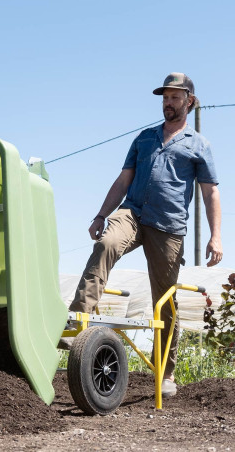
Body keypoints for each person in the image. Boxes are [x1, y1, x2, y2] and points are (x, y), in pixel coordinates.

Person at [68, 72, 222, 397]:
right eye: (165, 97)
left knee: (164, 301)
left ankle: (165, 372)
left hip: (168, 227)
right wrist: (101, 214)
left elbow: (210, 193)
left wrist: (215, 236)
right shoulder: (144, 138)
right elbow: (124, 180)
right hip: (133, 213)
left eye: (175, 97)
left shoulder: (199, 146)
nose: (168, 102)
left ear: (189, 101)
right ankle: (79, 318)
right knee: (106, 243)